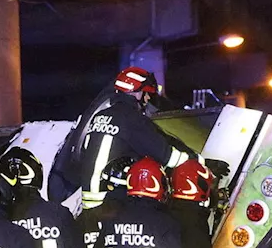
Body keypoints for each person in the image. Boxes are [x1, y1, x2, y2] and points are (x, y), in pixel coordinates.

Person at [75, 68, 194, 213]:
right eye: (147, 93)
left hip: (89, 204)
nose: (148, 98)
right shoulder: (131, 118)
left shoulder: (101, 115)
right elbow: (166, 156)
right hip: (112, 204)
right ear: (137, 93)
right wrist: (196, 161)